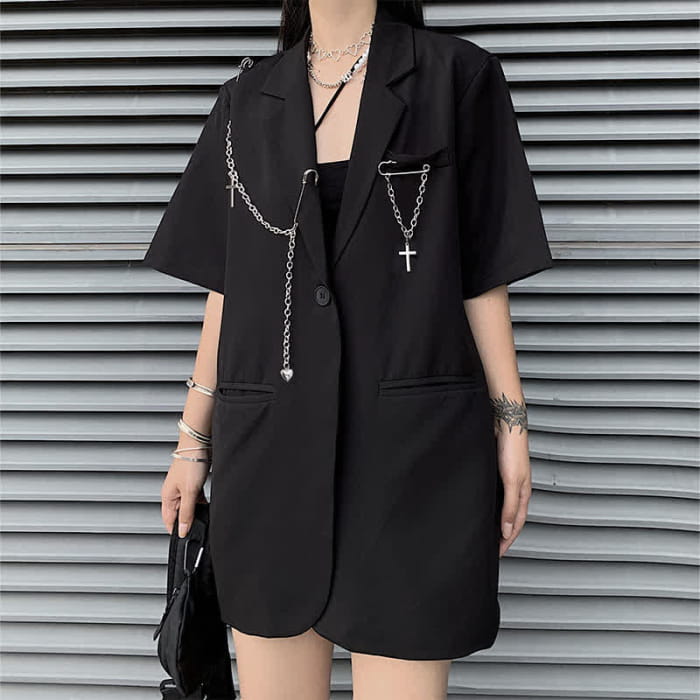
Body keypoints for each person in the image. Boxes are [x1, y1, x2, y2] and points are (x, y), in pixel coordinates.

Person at [142, 1, 554, 698]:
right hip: (269, 460)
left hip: (413, 461)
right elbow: (229, 285)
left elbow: (484, 270)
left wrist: (512, 423)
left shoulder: (455, 77)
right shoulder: (246, 100)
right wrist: (191, 441)